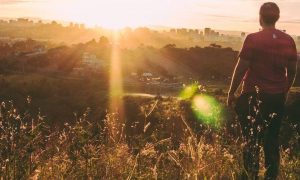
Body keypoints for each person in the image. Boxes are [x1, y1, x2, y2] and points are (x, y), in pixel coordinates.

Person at [227, 2, 298, 180]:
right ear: (277, 18)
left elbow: (241, 68)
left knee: (251, 141)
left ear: (260, 18)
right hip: (276, 98)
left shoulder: (252, 39)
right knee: (272, 140)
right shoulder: (288, 40)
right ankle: (271, 176)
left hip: (252, 96)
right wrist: (285, 90)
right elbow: (293, 70)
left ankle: (250, 175)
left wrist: (231, 92)